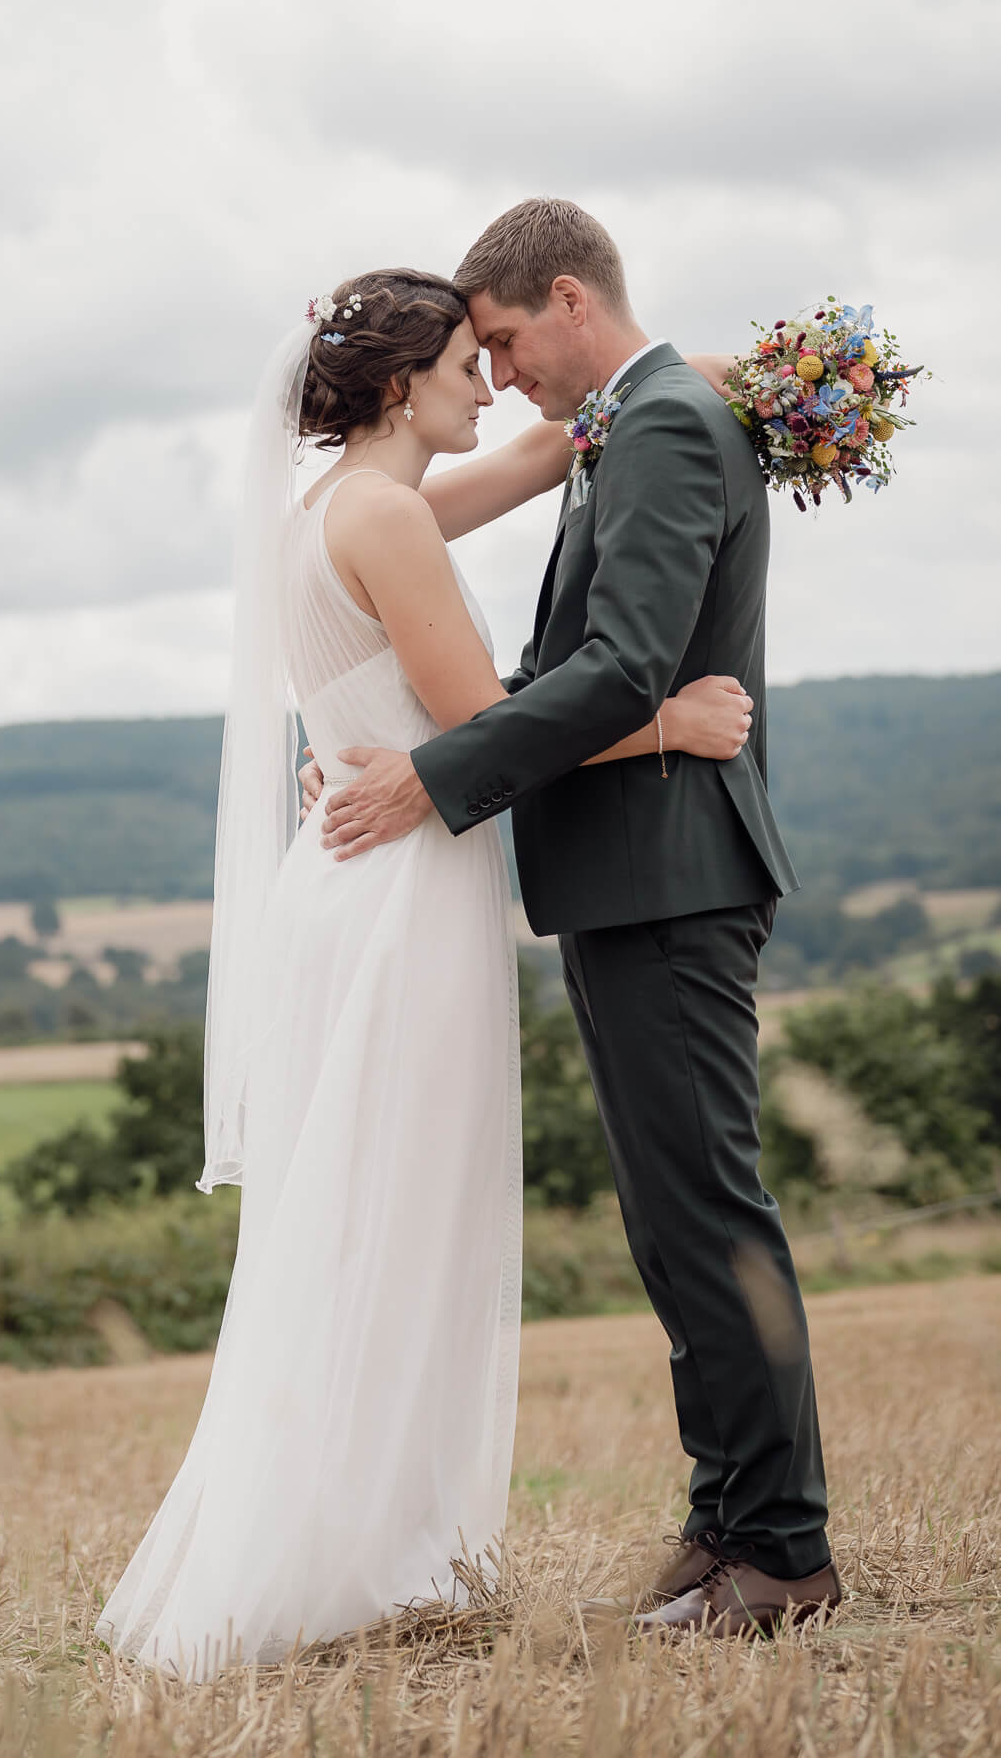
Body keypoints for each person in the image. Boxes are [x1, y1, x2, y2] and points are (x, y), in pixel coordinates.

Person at [93, 269, 755, 1675]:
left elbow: (540, 451)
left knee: (363, 1209)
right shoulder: (386, 517)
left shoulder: (337, 509)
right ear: (401, 386)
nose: (491, 382)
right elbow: (484, 722)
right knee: (392, 1208)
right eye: (468, 360)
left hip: (353, 883)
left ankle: (367, 1538)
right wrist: (671, 725)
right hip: (400, 894)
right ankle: (354, 1554)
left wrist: (698, 372)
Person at [317, 202, 841, 1640]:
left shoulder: (663, 422)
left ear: (564, 297)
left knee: (707, 1216)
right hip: (629, 875)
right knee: (672, 1224)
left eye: (500, 342)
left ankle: (780, 1554)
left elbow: (619, 670)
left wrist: (429, 778)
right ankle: (726, 1516)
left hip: (672, 872)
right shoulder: (641, 415)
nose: (501, 379)